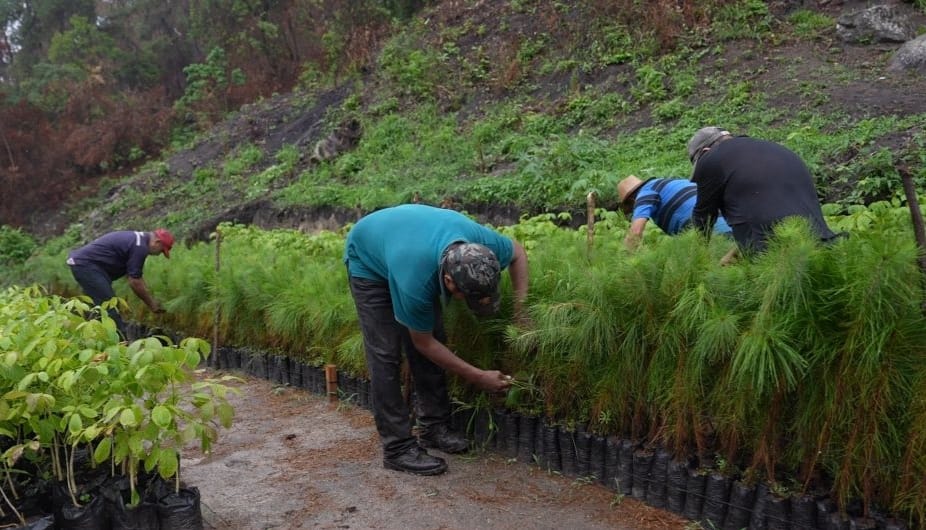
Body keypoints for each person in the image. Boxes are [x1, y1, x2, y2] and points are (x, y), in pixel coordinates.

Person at [344, 204, 529, 476]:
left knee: (435, 335)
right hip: (369, 260)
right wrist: (478, 376)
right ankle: (397, 448)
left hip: (408, 239)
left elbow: (519, 253)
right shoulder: (416, 278)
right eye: (468, 298)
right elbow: (423, 343)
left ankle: (434, 427)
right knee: (386, 354)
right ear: (448, 281)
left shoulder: (481, 245)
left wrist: (522, 315)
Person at [687, 126, 839, 263]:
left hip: (771, 254)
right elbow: (770, 208)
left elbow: (703, 215)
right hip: (819, 237)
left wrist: (698, 260)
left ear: (705, 152)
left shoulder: (711, 158)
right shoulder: (773, 149)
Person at [67, 229, 174, 339]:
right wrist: (152, 304)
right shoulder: (140, 247)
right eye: (161, 251)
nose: (158, 254)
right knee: (110, 307)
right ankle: (120, 345)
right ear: (157, 242)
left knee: (96, 307)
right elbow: (134, 281)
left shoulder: (138, 240)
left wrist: (149, 295)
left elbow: (135, 276)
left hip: (86, 265)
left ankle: (82, 336)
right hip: (86, 265)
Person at [617, 175, 732, 250]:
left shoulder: (645, 192)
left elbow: (636, 231)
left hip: (710, 230)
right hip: (730, 221)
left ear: (632, 200)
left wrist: (624, 260)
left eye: (631, 207)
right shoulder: (674, 183)